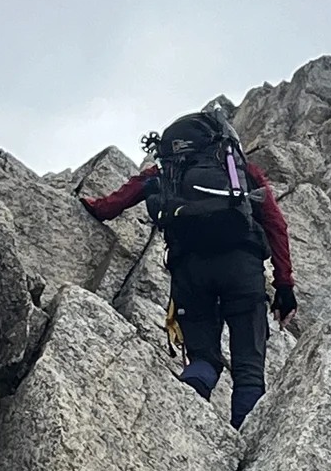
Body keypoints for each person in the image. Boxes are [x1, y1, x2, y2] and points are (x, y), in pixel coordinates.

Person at [81, 112, 297, 427]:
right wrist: (284, 285)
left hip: (190, 270)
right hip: (242, 269)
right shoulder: (241, 172)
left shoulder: (167, 170)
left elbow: (117, 202)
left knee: (202, 359)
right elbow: (276, 224)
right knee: (249, 368)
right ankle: (243, 439)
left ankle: (188, 428)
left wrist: (96, 207)